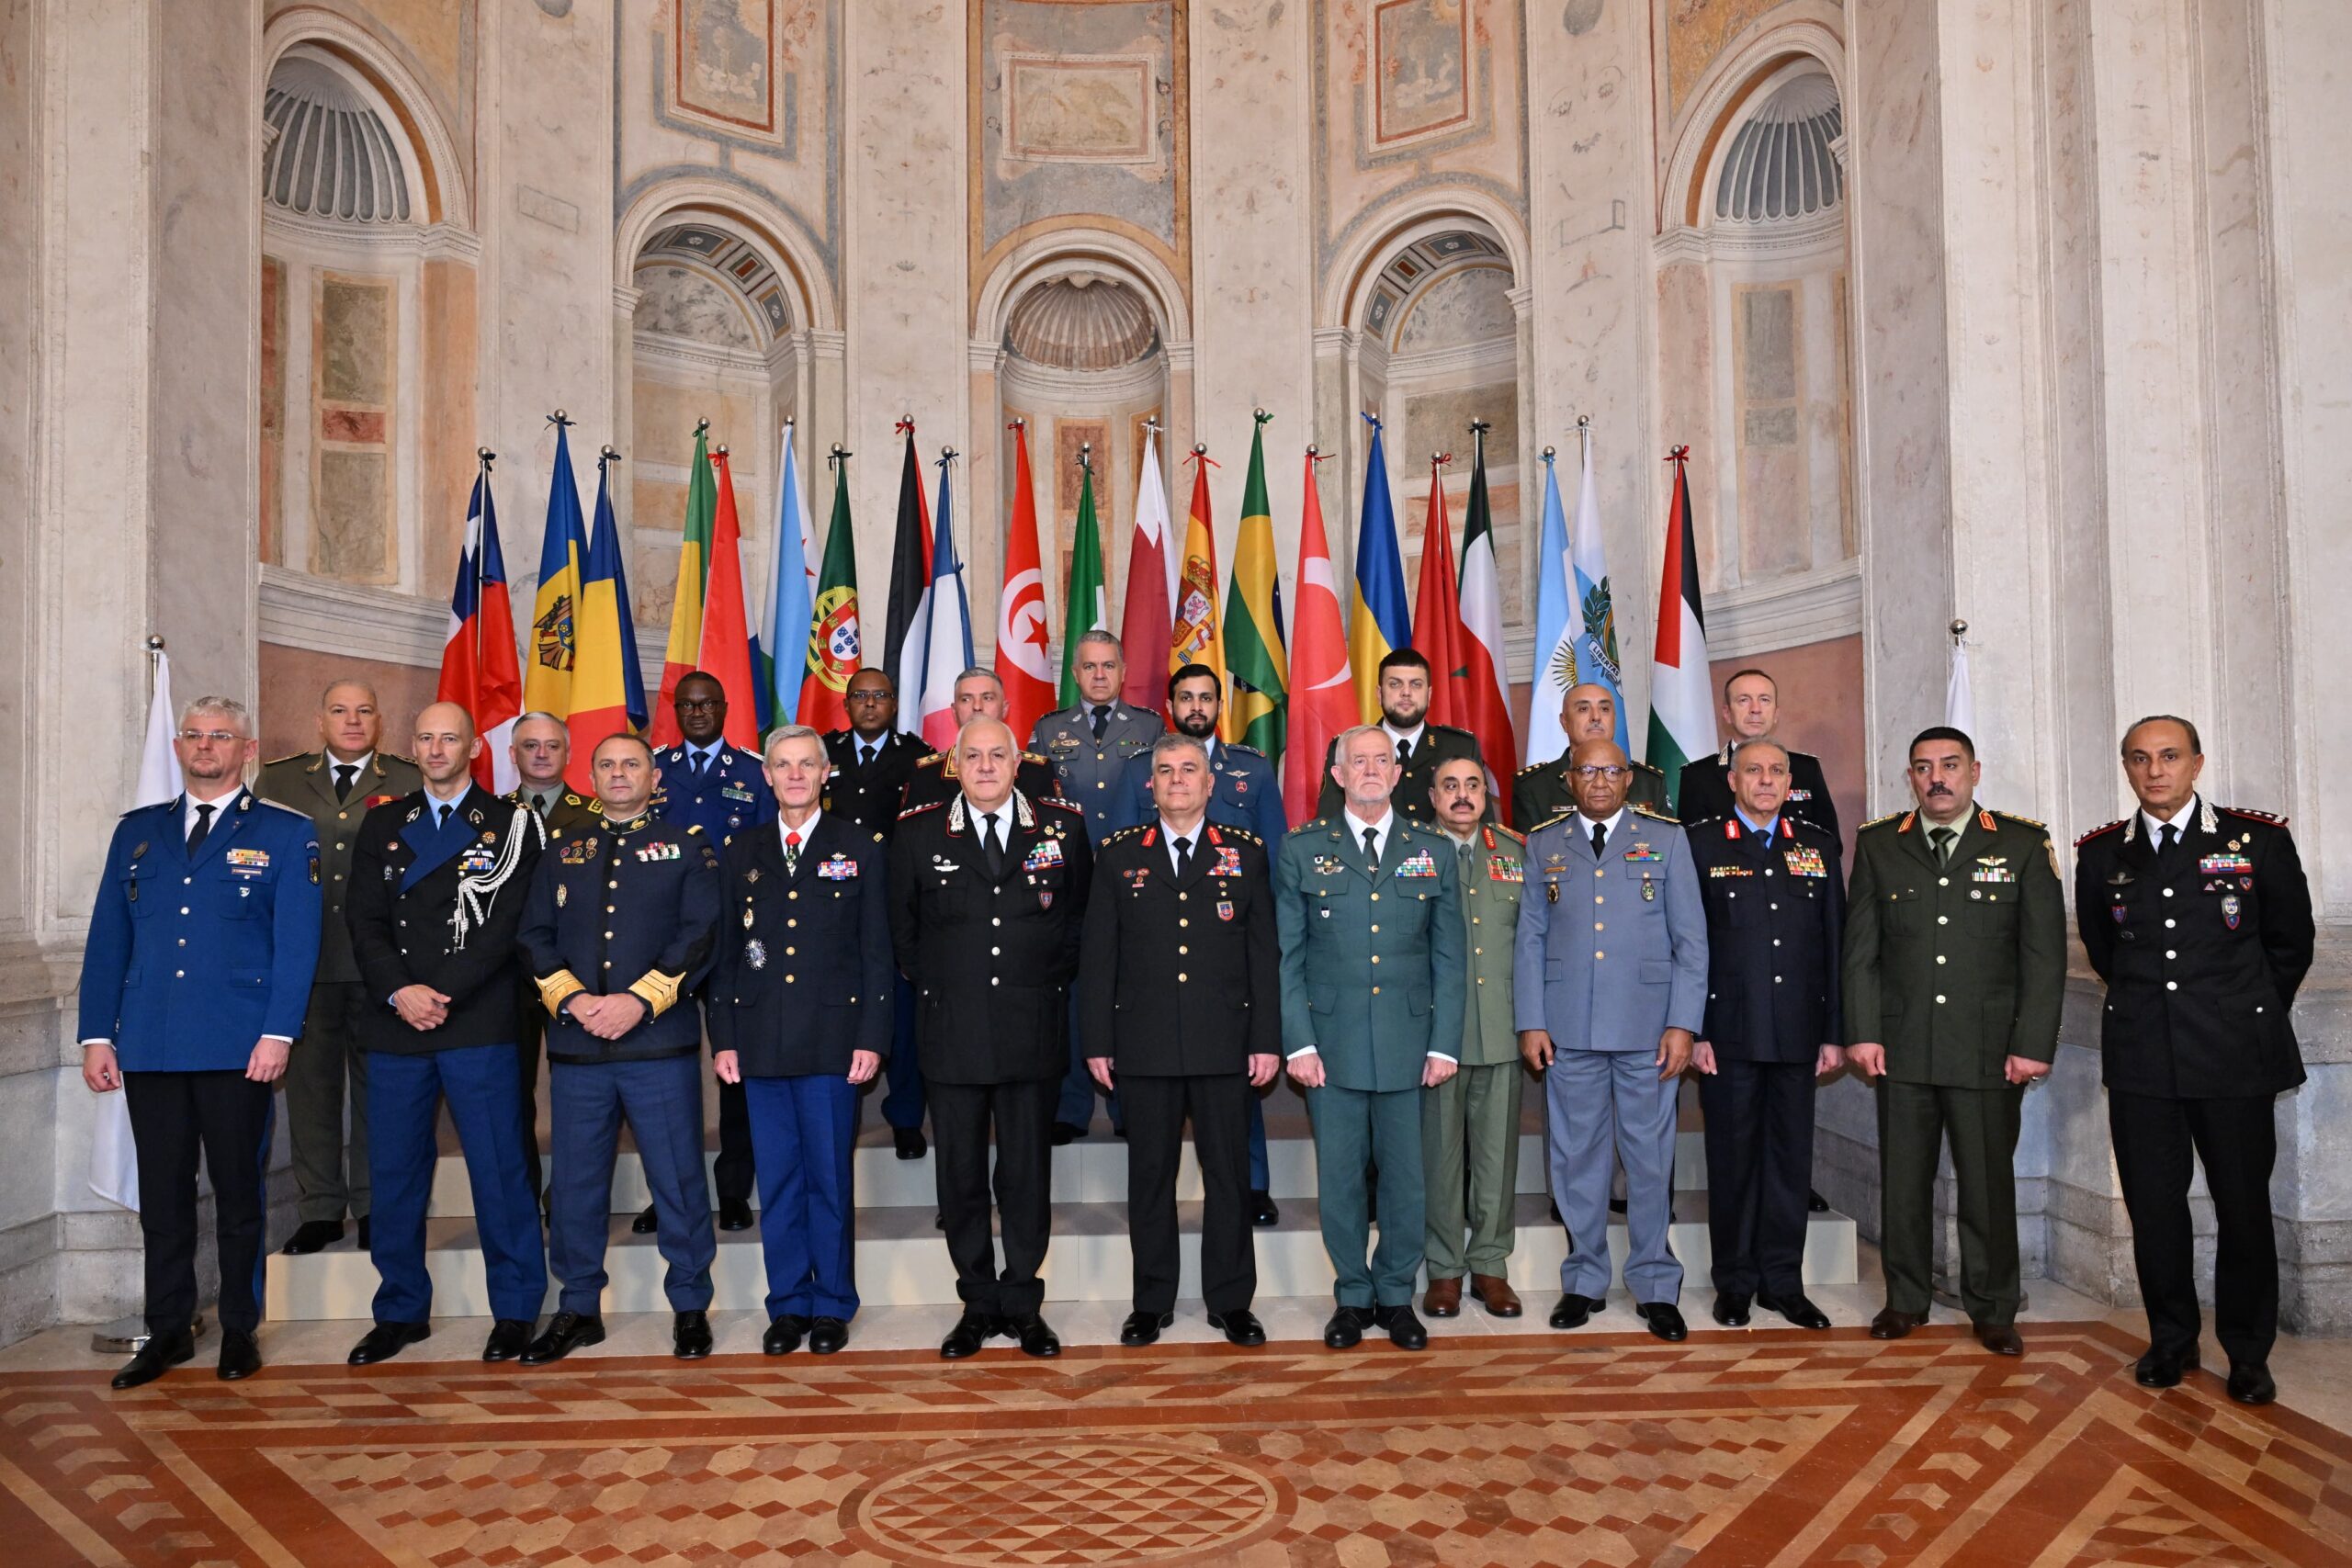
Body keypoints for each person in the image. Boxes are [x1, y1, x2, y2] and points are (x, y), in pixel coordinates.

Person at [80, 696, 322, 1387]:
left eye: (221, 736)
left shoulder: (282, 833)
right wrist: (99, 1034)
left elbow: (295, 945)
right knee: (163, 1196)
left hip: (237, 1046)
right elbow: (109, 939)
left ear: (247, 750)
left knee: (239, 1193)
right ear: (180, 747)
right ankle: (168, 1328)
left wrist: (278, 1032)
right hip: (151, 1044)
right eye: (194, 735)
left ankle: (240, 1328)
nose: (205, 746)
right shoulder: (138, 833)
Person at [2073, 716, 2314, 1405]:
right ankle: (2171, 1341)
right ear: (2126, 768)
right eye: (2141, 759)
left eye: (2170, 756)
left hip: (2235, 1057)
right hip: (2145, 1058)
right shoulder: (2101, 855)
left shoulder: (2255, 841)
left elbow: (2289, 944)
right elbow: (2105, 949)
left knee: (2243, 1207)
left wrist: (2245, 1014)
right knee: (2155, 1210)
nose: (2156, 771)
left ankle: (2246, 1352)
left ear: (2197, 763)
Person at [1843, 727, 2063, 1357]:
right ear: (1910, 777)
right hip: (1903, 1047)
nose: (1936, 777)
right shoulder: (1882, 843)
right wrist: (1862, 1030)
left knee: (1987, 1183)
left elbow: (2043, 957)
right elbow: (1861, 952)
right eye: (1922, 767)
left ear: (1974, 771)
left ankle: (1993, 1306)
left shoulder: (2021, 843)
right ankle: (1905, 1298)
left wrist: (2032, 1042)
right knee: (1904, 1179)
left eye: (1949, 765)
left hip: (1989, 1049)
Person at [342, 704, 547, 1366]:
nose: (436, 747)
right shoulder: (383, 821)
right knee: (395, 1173)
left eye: (449, 737)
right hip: (397, 1020)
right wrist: (401, 990)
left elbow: (511, 922)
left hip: (478, 1019)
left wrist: (443, 993)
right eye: (425, 736)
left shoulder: (513, 823)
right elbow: (364, 920)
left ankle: (515, 1309)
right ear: (411, 745)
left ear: (473, 749)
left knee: (500, 1170)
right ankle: (400, 1309)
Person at [516, 732, 723, 1363]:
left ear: (654, 775)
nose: (617, 773)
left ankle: (690, 1306)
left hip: (657, 1044)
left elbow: (701, 933)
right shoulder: (562, 848)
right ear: (593, 775)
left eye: (630, 763)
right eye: (605, 764)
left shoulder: (687, 846)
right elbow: (533, 936)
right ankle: (578, 1306)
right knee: (576, 1186)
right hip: (579, 1050)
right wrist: (576, 1001)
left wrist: (638, 1000)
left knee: (680, 1181)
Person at [889, 717, 1091, 1359]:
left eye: (995, 755)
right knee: (962, 1176)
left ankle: (1024, 1300)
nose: (984, 766)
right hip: (952, 1032)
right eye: (971, 755)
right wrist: (955, 986)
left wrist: (1037, 981)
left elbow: (1080, 922)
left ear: (1016, 762)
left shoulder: (1062, 828)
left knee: (1027, 1175)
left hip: (1031, 1028)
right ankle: (977, 1301)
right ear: (955, 764)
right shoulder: (919, 833)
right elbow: (905, 935)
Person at [1080, 733, 1280, 1348]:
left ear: (1210, 782)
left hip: (1225, 1042)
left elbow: (1262, 956)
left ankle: (1230, 1300)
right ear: (1151, 784)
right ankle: (1152, 1300)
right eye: (1164, 770)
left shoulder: (1243, 852)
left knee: (1227, 1177)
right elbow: (1098, 958)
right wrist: (1097, 1040)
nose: (1176, 780)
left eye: (1188, 769)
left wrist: (1266, 1038)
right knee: (1150, 1178)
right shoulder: (1117, 855)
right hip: (1143, 1044)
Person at [1277, 725, 1464, 1352]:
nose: (1370, 770)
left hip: (1411, 1044)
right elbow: (1288, 955)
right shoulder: (1303, 849)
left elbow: (1451, 957)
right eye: (1358, 761)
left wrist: (1445, 1043)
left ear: (1397, 770)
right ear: (1337, 774)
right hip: (1331, 1046)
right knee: (1343, 1179)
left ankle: (1395, 1295)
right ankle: (1352, 1296)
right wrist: (1298, 1041)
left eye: (1381, 759)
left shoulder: (1431, 849)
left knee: (1409, 1181)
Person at [709, 726, 892, 1357]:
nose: (794, 775)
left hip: (832, 1043)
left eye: (805, 765)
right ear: (766, 775)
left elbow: (877, 953)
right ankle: (788, 1303)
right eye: (782, 765)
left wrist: (872, 1036)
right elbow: (727, 953)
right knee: (779, 1179)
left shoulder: (860, 847)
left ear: (824, 773)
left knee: (828, 1178)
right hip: (760, 1042)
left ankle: (833, 1302)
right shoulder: (742, 850)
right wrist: (724, 1038)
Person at [1516, 739, 1706, 1342]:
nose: (1599, 780)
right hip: (1569, 1027)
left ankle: (1654, 1283)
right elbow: (1529, 940)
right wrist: (1532, 1020)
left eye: (1611, 770)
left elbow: (1691, 942)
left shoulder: (1668, 839)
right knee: (1576, 1160)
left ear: (1630, 779)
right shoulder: (1545, 843)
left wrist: (1683, 1023)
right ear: (1568, 780)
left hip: (1648, 1029)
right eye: (1586, 770)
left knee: (1650, 1161)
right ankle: (1584, 1280)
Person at [1106, 662, 1286, 1221]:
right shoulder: (1141, 767)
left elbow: (1273, 857)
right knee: (1153, 1150)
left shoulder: (1250, 770)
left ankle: (1254, 1182)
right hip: (1153, 977)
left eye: (1207, 697)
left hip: (1226, 961)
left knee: (1236, 1112)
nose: (1197, 706)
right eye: (1186, 697)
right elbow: (1115, 857)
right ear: (1171, 703)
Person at [1684, 738, 1843, 1331]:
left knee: (1788, 1164)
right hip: (1726, 1035)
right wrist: (1693, 1028)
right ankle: (1735, 1283)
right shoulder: (1699, 844)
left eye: (1777, 770)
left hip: (1798, 1032)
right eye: (1754, 770)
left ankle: (1783, 1282)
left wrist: (1834, 1031)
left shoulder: (1817, 845)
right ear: (1733, 779)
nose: (1767, 780)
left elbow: (1833, 941)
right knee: (1732, 1164)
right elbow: (1688, 946)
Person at [258, 679, 420, 1256]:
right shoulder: (278, 781)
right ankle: (321, 1208)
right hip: (306, 962)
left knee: (381, 1090)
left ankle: (376, 1205)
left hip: (383, 964)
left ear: (379, 721)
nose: (353, 721)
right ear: (319, 721)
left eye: (365, 711)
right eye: (339, 711)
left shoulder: (406, 779)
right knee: (310, 1088)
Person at [646, 671, 772, 1235]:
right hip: (663, 942)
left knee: (735, 1069)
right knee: (662, 1073)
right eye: (687, 705)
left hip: (734, 940)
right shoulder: (653, 772)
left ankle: (733, 1188)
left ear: (724, 707)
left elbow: (770, 855)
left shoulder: (753, 772)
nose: (697, 713)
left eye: (708, 704)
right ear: (675, 709)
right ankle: (668, 1193)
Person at [1035, 631, 1167, 1145]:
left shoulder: (1151, 727)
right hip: (1070, 880)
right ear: (1075, 674)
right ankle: (1071, 1105)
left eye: (1108, 666)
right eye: (1088, 667)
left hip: (1136, 878)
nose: (1098, 675)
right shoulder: (1048, 731)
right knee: (1072, 991)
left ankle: (1127, 1104)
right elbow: (1040, 806)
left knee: (1130, 991)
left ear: (1123, 669)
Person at [1421, 756, 1527, 1321]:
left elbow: (1532, 945)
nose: (1463, 796)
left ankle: (1490, 1263)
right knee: (1438, 1159)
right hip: (1437, 1035)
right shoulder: (1414, 854)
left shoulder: (1514, 853)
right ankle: (1443, 1270)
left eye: (1473, 786)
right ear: (1433, 796)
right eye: (1450, 786)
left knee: (1496, 1158)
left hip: (1501, 1030)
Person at [821, 670, 930, 1158]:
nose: (870, 704)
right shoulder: (824, 754)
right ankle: (840, 1116)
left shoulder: (918, 757)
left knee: (905, 1019)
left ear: (894, 702)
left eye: (880, 696)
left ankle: (906, 1117)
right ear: (846, 704)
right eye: (860, 696)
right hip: (834, 907)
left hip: (898, 904)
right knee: (840, 1011)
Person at [504, 712, 601, 1206]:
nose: (541, 754)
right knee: (512, 1094)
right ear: (512, 754)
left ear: (568, 755)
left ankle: (568, 1196)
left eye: (551, 746)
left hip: (578, 977)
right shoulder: (492, 815)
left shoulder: (596, 817)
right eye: (529, 746)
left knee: (577, 1096)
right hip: (507, 977)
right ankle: (522, 1192)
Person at [1315, 649, 1484, 823]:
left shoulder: (1460, 746)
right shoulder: (1347, 746)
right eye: (1395, 684)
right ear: (1379, 694)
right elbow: (1330, 824)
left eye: (1416, 684)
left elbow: (1481, 827)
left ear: (1429, 694)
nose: (1406, 692)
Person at [1674, 669, 1842, 842]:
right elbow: (1688, 849)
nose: (1755, 709)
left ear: (1776, 713)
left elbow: (1830, 843)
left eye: (1764, 700)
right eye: (1744, 700)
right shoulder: (1698, 775)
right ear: (1727, 713)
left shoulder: (1805, 769)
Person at [1513, 682, 1666, 830]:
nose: (1596, 717)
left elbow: (1667, 844)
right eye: (1583, 709)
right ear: (1564, 722)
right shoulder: (1534, 786)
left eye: (1604, 709)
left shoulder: (1650, 782)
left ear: (1614, 719)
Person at [900, 669, 1056, 811]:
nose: (977, 707)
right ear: (954, 712)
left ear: (1005, 708)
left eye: (987, 698)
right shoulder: (925, 774)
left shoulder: (1038, 771)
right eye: (966, 699)